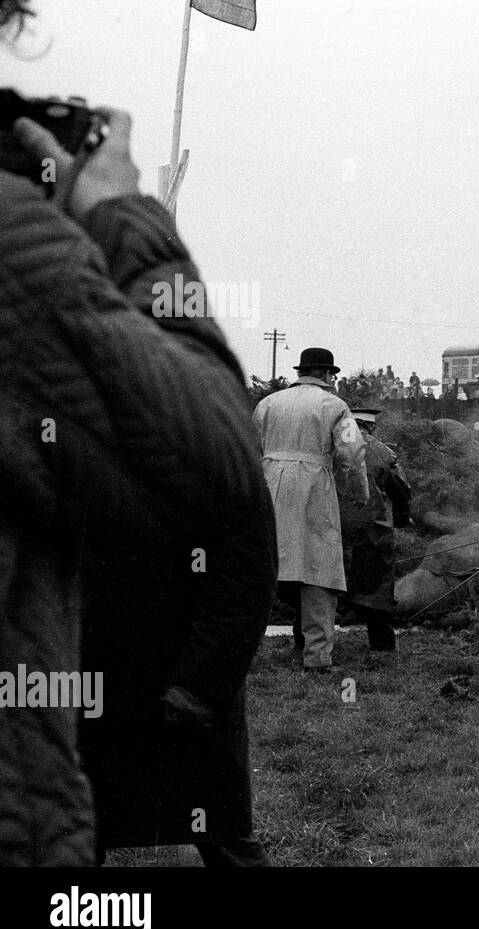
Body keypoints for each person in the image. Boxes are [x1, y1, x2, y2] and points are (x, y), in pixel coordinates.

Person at [2, 11, 277, 865]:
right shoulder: (20, 246)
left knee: (205, 812)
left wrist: (198, 680)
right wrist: (126, 218)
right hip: (115, 687)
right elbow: (218, 464)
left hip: (134, 672)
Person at [254, 348, 369, 672]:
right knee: (319, 571)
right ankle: (317, 659)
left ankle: (240, 654)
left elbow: (250, 445)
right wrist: (359, 492)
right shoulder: (334, 406)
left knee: (263, 570)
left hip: (268, 485)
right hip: (313, 489)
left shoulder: (268, 403)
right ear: (327, 375)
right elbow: (353, 451)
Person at [337, 408, 411, 653]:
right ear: (371, 427)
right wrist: (401, 519)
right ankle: (381, 647)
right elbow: (400, 490)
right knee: (378, 588)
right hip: (374, 529)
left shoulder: (332, 445)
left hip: (334, 526)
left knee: (322, 587)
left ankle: (309, 644)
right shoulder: (382, 450)